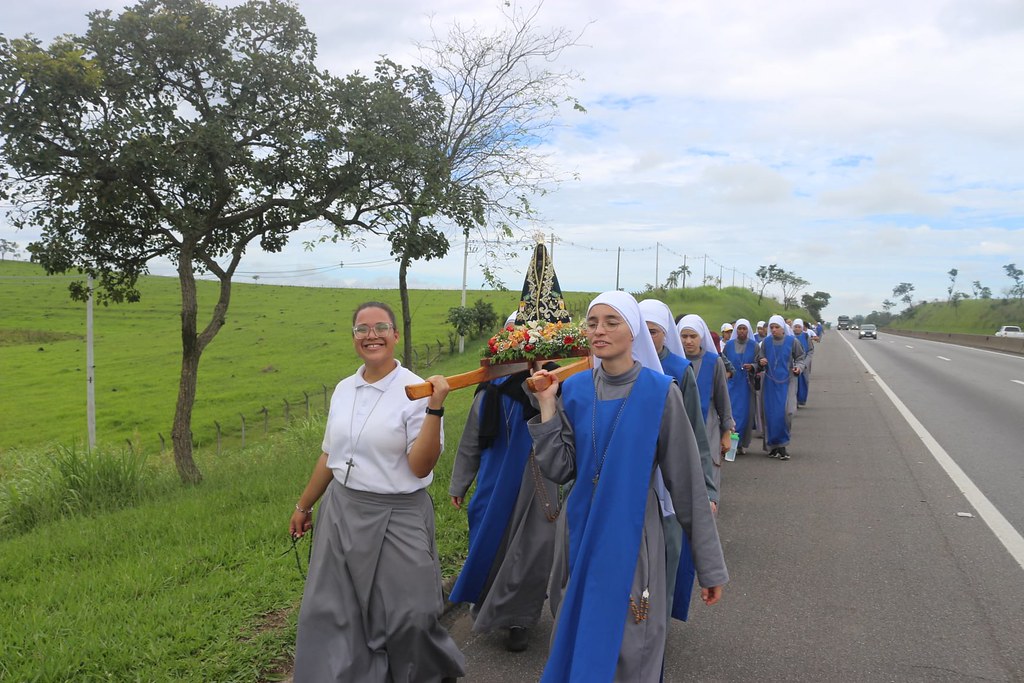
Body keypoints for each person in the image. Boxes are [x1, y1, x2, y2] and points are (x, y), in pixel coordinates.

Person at [529, 292, 728, 682]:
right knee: (576, 627)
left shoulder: (660, 392)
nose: (599, 330)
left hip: (634, 532)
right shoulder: (576, 388)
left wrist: (711, 568)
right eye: (592, 323)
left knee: (631, 640)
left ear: (632, 330)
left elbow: (686, 485)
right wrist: (547, 407)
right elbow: (559, 469)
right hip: (580, 530)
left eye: (611, 322)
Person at [290, 301, 465, 683]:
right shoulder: (343, 389)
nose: (372, 335)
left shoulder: (415, 390)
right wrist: (304, 505)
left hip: (398, 513)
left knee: (412, 615)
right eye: (362, 329)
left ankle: (427, 674)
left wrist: (434, 409)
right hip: (342, 511)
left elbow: (420, 466)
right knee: (333, 613)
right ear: (353, 337)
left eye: (381, 327)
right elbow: (330, 454)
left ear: (395, 335)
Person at [447, 338, 560, 652]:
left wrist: (539, 375)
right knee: (490, 548)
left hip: (536, 483)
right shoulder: (490, 389)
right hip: (492, 485)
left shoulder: (553, 382)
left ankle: (519, 620)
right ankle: (487, 608)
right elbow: (472, 438)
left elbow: (553, 417)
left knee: (531, 552)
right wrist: (460, 482)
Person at [639, 298, 717, 620]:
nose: (646, 336)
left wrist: (708, 489)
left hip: (667, 481)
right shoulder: (612, 367)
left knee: (668, 552)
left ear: (665, 333)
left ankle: (657, 625)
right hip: (630, 477)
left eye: (653, 331)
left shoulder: (678, 371)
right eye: (640, 329)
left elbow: (695, 435)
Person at [677, 314, 735, 501]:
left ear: (701, 337)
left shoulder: (713, 361)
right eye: (684, 336)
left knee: (708, 474)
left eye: (693, 336)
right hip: (679, 429)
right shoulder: (674, 361)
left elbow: (722, 399)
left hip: (708, 427)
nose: (688, 341)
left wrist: (726, 432)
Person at [754, 314, 806, 461]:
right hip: (770, 383)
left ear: (783, 328)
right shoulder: (766, 342)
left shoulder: (792, 341)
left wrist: (799, 368)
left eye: (777, 327)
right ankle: (774, 447)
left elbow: (801, 358)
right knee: (771, 415)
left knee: (787, 412)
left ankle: (782, 443)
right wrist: (761, 361)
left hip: (787, 381)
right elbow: (759, 359)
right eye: (772, 327)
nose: (774, 330)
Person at [722, 319, 757, 455]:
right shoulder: (729, 345)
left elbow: (759, 363)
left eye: (744, 329)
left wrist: (752, 366)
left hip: (747, 385)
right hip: (732, 384)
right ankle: (729, 445)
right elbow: (722, 362)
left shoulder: (754, 346)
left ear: (748, 330)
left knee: (744, 415)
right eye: (740, 328)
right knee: (732, 414)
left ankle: (740, 443)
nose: (742, 331)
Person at [791, 318, 814, 407]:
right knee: (794, 383)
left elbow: (810, 351)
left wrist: (805, 363)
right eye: (795, 327)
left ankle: (801, 399)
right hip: (793, 364)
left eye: (799, 327)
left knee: (804, 381)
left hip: (804, 364)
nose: (797, 328)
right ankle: (794, 401)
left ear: (802, 327)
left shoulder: (806, 336)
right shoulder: (790, 336)